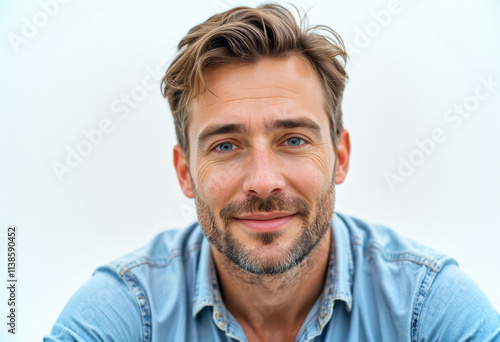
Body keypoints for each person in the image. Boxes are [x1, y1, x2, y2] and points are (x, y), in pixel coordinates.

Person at [45, 3, 500, 341]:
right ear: (185, 172)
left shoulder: (428, 307)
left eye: (294, 140)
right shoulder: (127, 311)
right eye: (226, 145)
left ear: (340, 157)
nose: (264, 181)